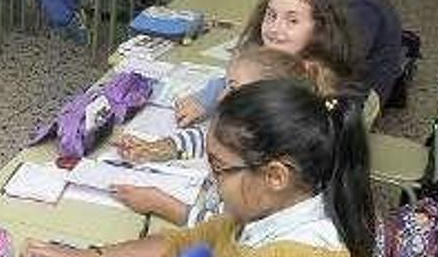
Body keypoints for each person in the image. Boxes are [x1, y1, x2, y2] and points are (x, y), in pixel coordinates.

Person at [26, 80, 377, 257]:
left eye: (220, 168)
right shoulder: (267, 215)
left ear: (275, 176)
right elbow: (184, 245)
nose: (212, 180)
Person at [113, 45, 340, 226]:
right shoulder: (260, 128)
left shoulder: (267, 171)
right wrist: (164, 147)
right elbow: (207, 138)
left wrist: (161, 204)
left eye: (232, 87)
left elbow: (226, 229)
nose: (221, 97)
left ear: (267, 97)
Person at [172, 0, 357, 127]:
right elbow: (235, 81)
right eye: (271, 15)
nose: (275, 28)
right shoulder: (271, 61)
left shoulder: (308, 89)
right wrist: (206, 98)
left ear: (321, 29)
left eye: (292, 20)